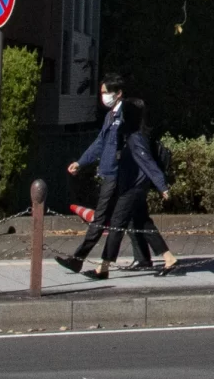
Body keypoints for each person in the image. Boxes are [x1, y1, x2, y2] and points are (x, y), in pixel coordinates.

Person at [59, 74, 175, 277]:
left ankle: (90, 263)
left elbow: (142, 157)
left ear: (118, 94)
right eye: (102, 92)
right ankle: (161, 257)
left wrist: (161, 184)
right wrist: (81, 162)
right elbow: (100, 143)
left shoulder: (128, 121)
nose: (103, 96)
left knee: (109, 221)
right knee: (139, 220)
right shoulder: (111, 117)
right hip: (120, 177)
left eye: (106, 92)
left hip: (121, 178)